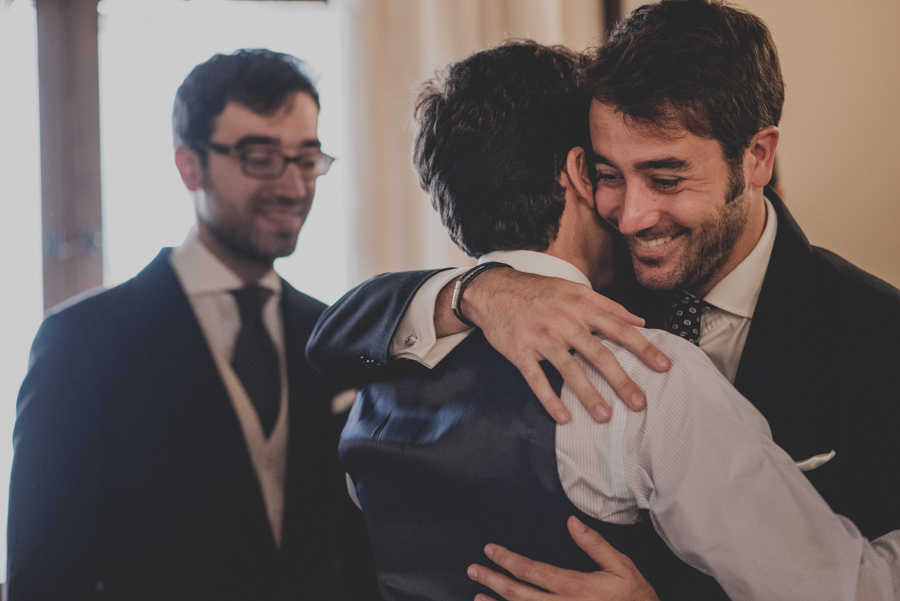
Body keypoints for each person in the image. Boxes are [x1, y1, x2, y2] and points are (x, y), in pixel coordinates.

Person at [310, 40, 900, 601]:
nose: (634, 214)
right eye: (609, 172)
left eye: (664, 178)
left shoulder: (379, 383)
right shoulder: (644, 373)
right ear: (579, 171)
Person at [7, 49, 379, 600]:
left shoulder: (334, 334)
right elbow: (44, 580)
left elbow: (361, 552)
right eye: (260, 157)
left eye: (306, 159)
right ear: (189, 165)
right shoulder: (82, 346)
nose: (294, 187)